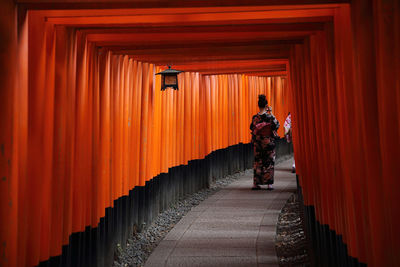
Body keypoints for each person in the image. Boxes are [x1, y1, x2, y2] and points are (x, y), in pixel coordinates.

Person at [250, 95, 280, 190]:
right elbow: (277, 125)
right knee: (269, 162)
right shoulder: (270, 117)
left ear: (258, 105)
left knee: (258, 162)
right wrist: (270, 113)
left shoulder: (255, 118)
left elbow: (251, 128)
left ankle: (256, 183)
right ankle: (269, 184)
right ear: (266, 106)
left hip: (258, 142)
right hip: (268, 142)